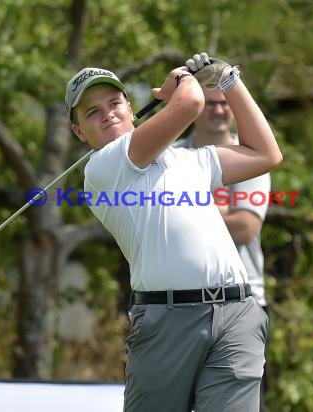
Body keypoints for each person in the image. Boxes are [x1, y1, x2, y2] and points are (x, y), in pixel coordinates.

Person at [64, 52, 282, 412]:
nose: (108, 114)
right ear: (78, 132)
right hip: (166, 321)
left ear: (131, 108)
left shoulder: (188, 159)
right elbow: (191, 103)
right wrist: (181, 82)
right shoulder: (104, 167)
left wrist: (229, 80)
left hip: (236, 312)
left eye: (115, 102)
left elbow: (266, 154)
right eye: (93, 112)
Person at [174, 86, 272, 411]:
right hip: (179, 304)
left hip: (242, 302)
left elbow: (245, 228)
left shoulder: (250, 155)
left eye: (224, 103)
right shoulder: (172, 153)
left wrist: (186, 201)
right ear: (195, 107)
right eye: (210, 103)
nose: (218, 110)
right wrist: (218, 208)